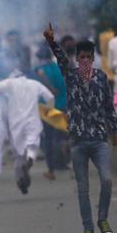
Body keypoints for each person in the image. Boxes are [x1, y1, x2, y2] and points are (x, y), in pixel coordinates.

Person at [44, 24, 117, 233]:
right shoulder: (71, 76)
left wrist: (114, 129)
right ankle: (88, 229)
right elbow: (61, 59)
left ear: (93, 57)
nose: (85, 60)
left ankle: (103, 219)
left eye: (89, 56)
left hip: (99, 139)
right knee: (83, 187)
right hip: (78, 140)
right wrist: (52, 43)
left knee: (106, 179)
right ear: (77, 59)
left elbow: (108, 105)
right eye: (82, 57)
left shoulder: (100, 77)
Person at [0, 68, 53, 201]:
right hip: (32, 120)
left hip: (14, 123)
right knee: (32, 144)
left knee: (14, 153)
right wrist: (49, 111)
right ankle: (31, 157)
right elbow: (50, 97)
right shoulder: (35, 84)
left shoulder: (10, 84)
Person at [33, 45, 68, 180]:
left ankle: (51, 169)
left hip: (46, 109)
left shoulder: (38, 71)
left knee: (48, 138)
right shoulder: (58, 68)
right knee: (60, 136)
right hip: (61, 106)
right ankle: (63, 161)